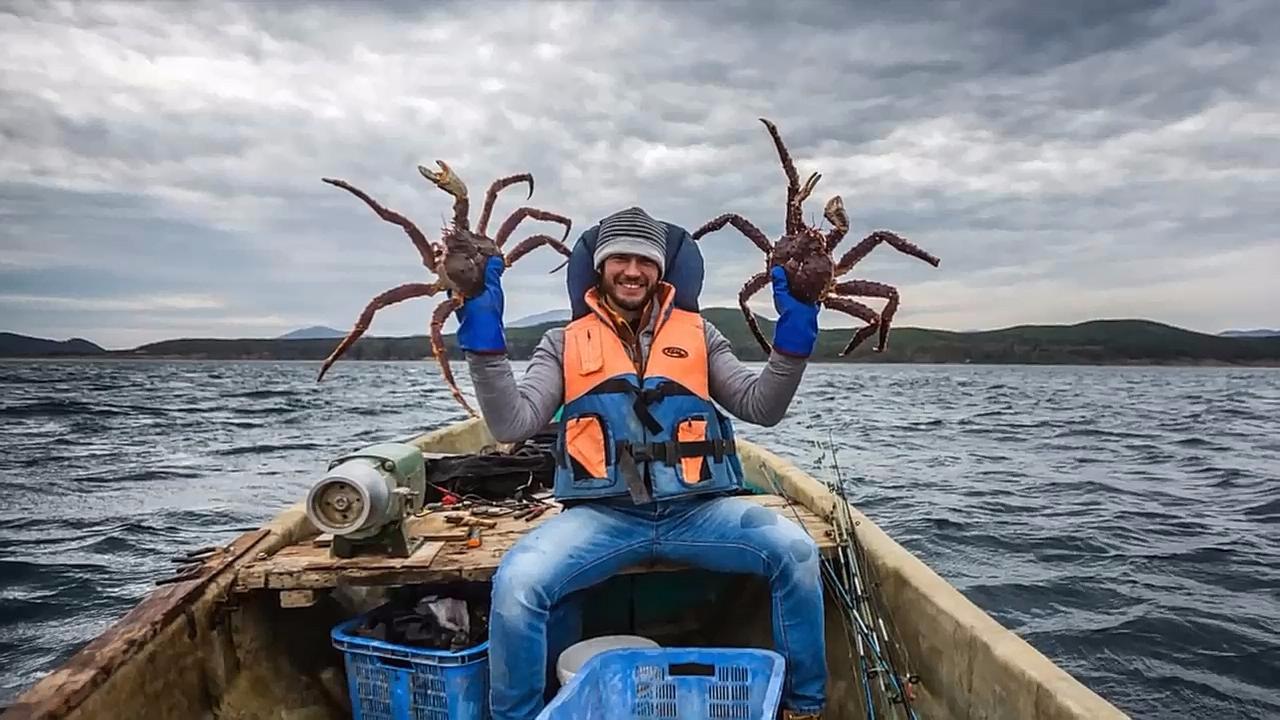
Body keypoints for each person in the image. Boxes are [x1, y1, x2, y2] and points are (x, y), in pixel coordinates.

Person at [455, 206, 827, 720]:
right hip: (603, 516)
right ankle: (517, 715)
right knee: (519, 584)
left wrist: (795, 337)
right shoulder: (563, 342)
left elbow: (761, 407)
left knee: (797, 554)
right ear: (599, 268)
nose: (632, 271)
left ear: (661, 270)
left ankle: (805, 706)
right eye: (620, 259)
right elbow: (512, 424)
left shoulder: (700, 335)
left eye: (645, 261)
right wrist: (484, 344)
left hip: (699, 513)